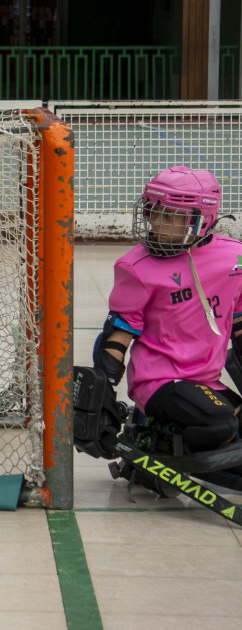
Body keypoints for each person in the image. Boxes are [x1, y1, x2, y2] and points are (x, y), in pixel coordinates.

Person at [76, 167, 242, 486]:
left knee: (228, 426)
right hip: (160, 379)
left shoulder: (233, 258)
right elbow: (117, 336)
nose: (157, 224)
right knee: (220, 426)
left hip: (206, 381)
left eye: (171, 217)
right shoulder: (136, 267)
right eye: (154, 213)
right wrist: (103, 396)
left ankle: (160, 428)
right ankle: (155, 437)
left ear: (203, 219)